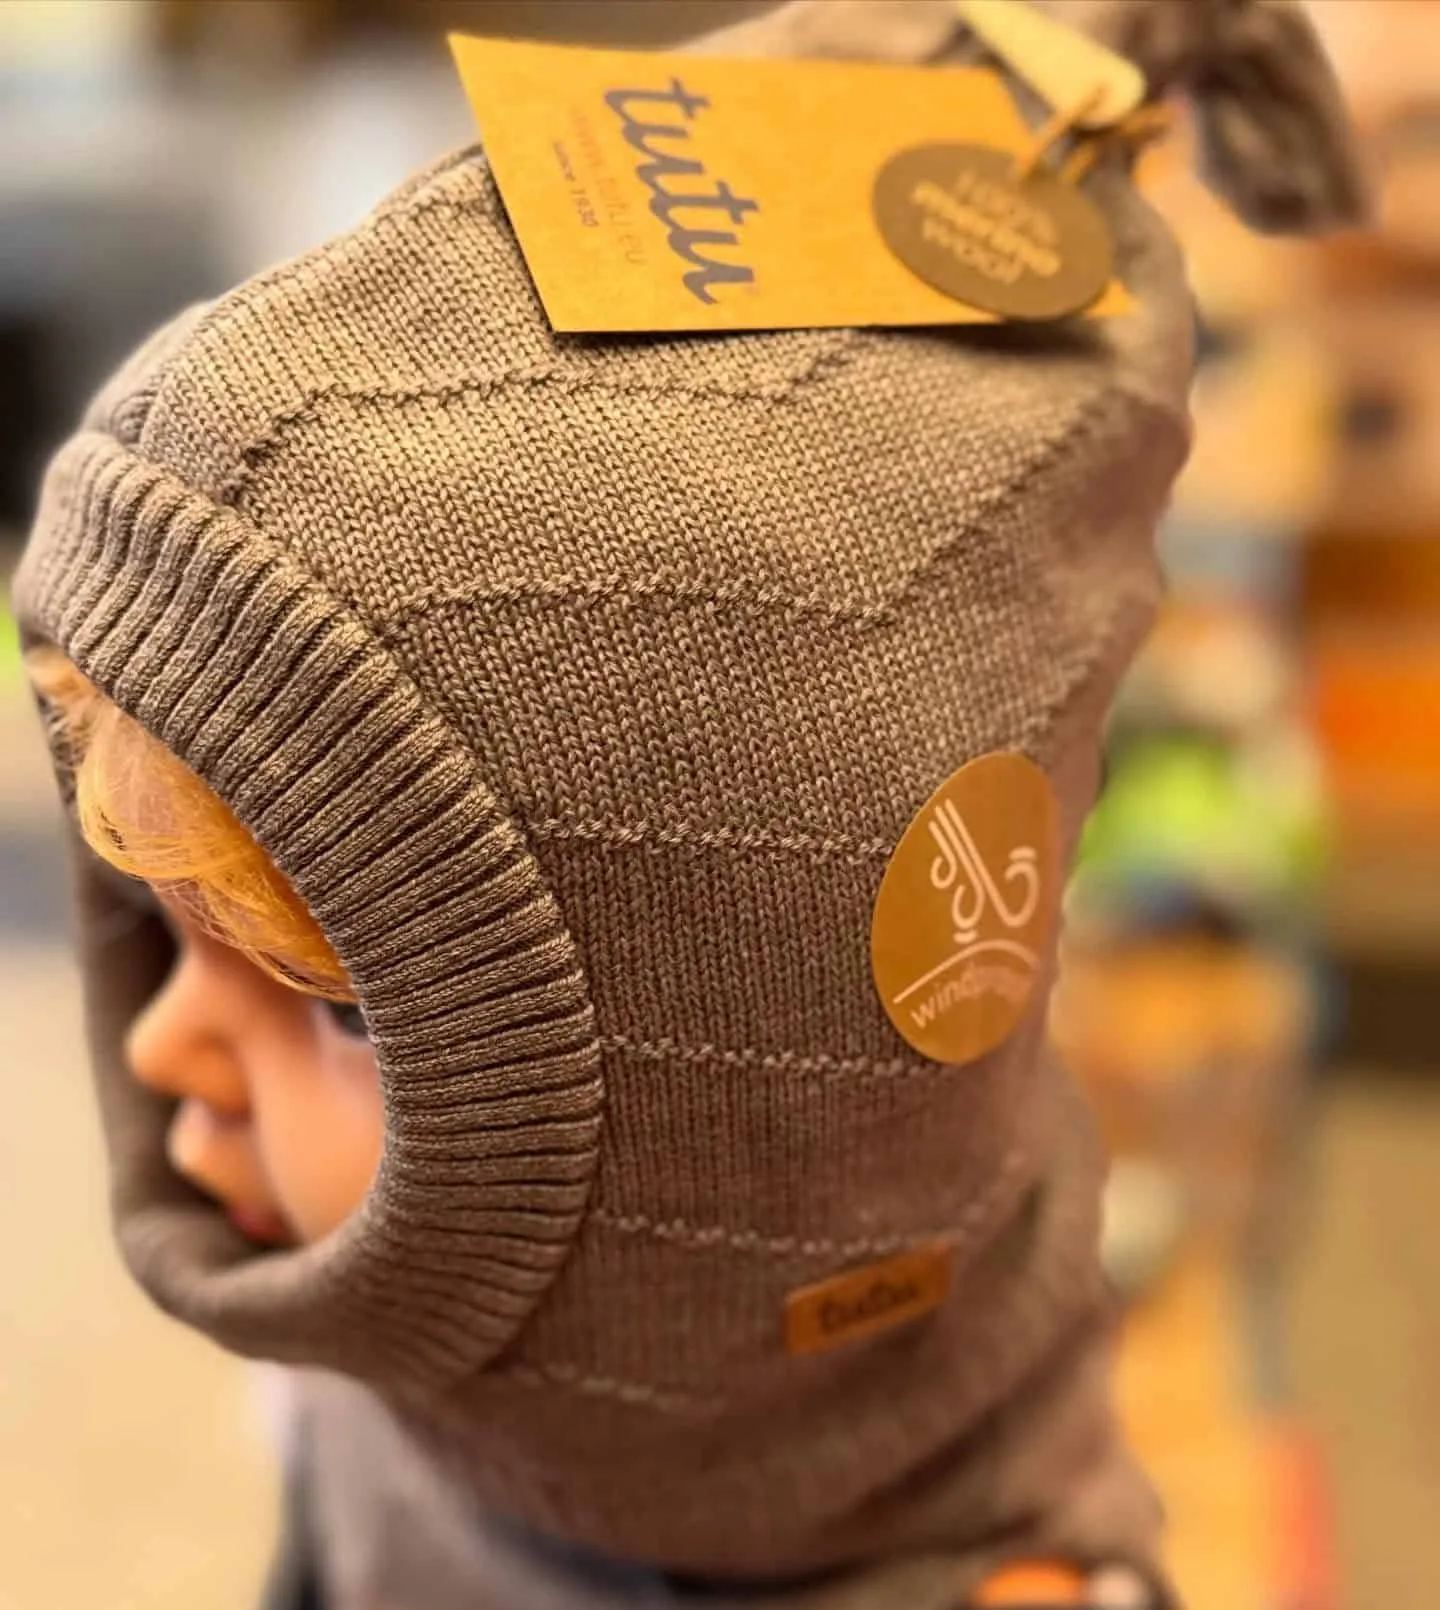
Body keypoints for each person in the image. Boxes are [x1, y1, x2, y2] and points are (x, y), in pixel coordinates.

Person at [14, 3, 1360, 1606]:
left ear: (746, 1162)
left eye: (344, 1010)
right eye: (163, 928)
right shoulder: (394, 1379)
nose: (161, 1043)